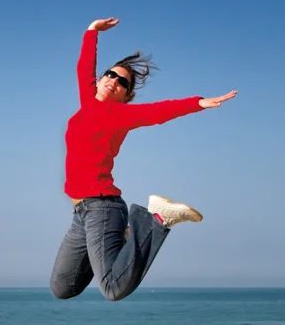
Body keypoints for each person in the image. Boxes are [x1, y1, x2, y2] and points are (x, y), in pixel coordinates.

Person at [49, 17, 237, 301]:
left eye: (122, 82)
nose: (114, 81)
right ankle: (123, 243)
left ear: (126, 95)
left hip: (103, 207)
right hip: (81, 213)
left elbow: (158, 112)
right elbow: (83, 67)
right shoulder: (88, 103)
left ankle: (158, 220)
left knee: (112, 289)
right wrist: (91, 32)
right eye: (110, 75)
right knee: (62, 288)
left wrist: (197, 103)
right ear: (100, 79)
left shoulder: (118, 115)